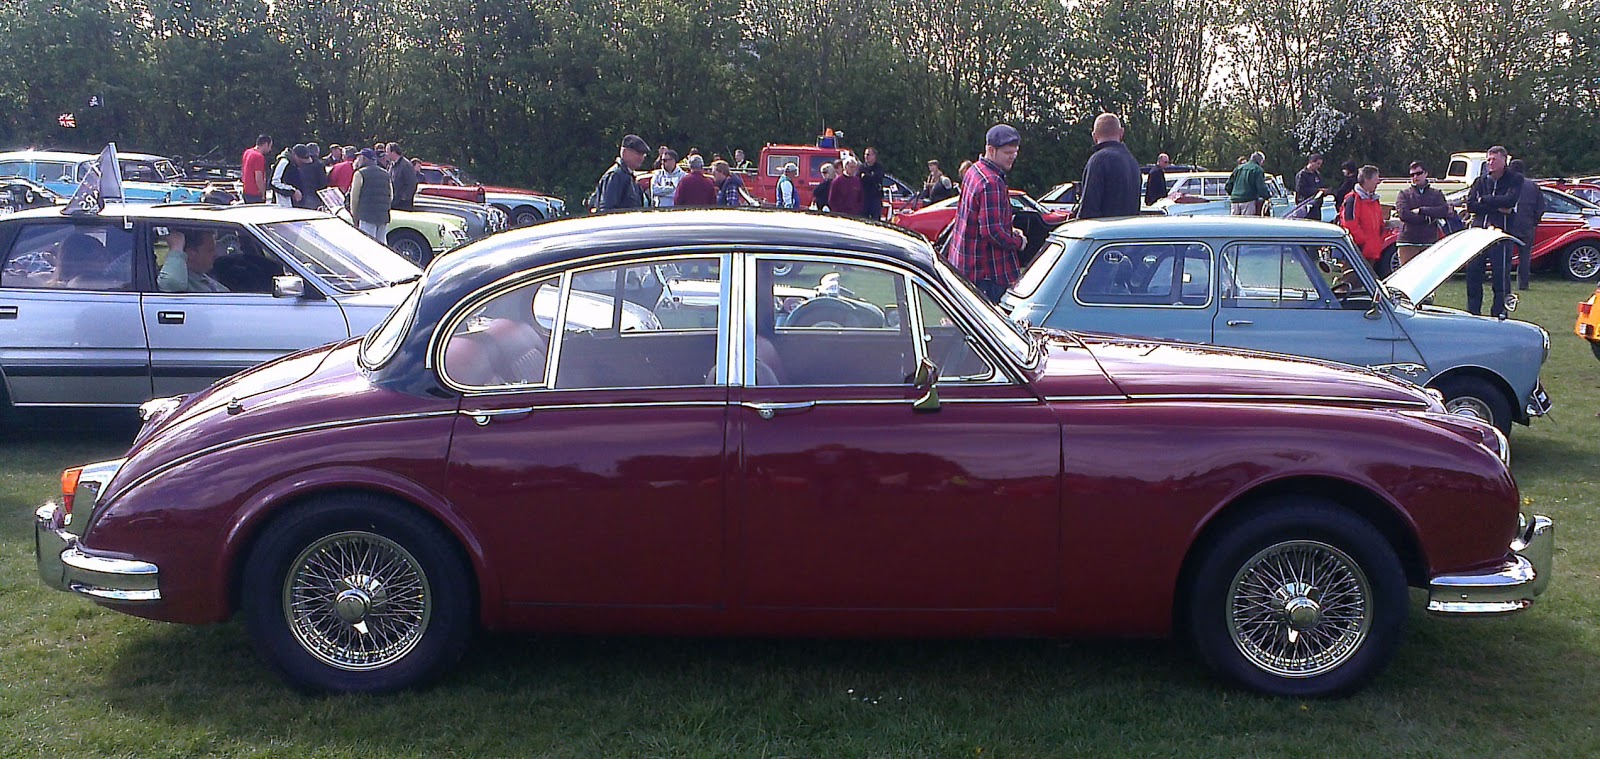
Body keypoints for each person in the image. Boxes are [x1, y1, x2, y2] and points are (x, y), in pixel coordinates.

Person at [946, 124, 1026, 303]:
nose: (1013, 156)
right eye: (1007, 152)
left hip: (966, 268)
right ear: (991, 149)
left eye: (1015, 151)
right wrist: (1018, 242)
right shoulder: (992, 182)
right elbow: (992, 232)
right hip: (987, 275)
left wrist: (1010, 230)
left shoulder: (974, 171)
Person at [1464, 146, 1522, 317]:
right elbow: (1471, 204)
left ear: (1504, 161)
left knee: (1501, 276)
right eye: (1488, 159)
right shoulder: (1480, 181)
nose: (1490, 163)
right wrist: (1496, 205)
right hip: (1479, 235)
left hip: (1500, 236)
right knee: (1473, 273)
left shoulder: (1514, 179)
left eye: (1494, 160)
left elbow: (1510, 200)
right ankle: (1473, 312)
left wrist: (1485, 200)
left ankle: (1499, 313)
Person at [1076, 113, 1142, 219]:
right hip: (1128, 232)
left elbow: (1088, 211)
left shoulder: (1098, 161)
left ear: (1094, 136)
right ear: (1121, 132)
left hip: (1104, 232)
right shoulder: (1132, 161)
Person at [1394, 161, 1452, 268]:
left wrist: (1422, 210)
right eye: (1412, 174)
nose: (1415, 177)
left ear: (1426, 173)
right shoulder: (1404, 194)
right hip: (1408, 241)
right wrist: (1429, 219)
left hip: (1429, 241)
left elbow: (1443, 211)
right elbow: (1404, 214)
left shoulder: (1436, 193)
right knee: (1407, 275)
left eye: (1418, 173)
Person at [1508, 158, 1545, 290]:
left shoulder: (1507, 183)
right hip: (1527, 225)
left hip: (1508, 224)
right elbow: (1541, 206)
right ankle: (1523, 284)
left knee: (1505, 254)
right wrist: (1534, 221)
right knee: (1525, 256)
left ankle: (1503, 281)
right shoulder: (1532, 186)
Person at [1339, 165, 1386, 266]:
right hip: (1358, 252)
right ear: (1367, 180)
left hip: (1371, 251)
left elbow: (1379, 223)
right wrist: (1362, 242)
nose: (1378, 182)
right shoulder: (1353, 199)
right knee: (1352, 280)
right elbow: (1349, 223)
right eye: (1376, 179)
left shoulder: (1373, 199)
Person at [157, 230, 227, 293]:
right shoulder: (178, 279)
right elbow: (171, 283)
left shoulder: (202, 277)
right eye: (210, 250)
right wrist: (176, 247)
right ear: (191, 254)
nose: (215, 254)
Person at [348, 149, 393, 242]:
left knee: (367, 244)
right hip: (383, 216)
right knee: (381, 245)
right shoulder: (385, 173)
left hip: (366, 216)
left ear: (364, 159)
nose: (356, 160)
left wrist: (355, 216)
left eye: (358, 157)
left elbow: (354, 199)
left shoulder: (360, 173)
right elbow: (391, 196)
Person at [595, 134, 649, 211]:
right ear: (625, 152)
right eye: (638, 154)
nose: (641, 158)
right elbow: (607, 209)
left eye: (643, 155)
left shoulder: (628, 176)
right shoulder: (616, 175)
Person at [1225, 151, 1271, 215]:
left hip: (1234, 201)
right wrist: (1267, 197)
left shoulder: (1238, 168)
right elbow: (1261, 188)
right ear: (1260, 160)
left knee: (1234, 223)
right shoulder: (1257, 170)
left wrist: (1234, 195)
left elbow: (1228, 186)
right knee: (1247, 222)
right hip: (1248, 200)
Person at [386, 143, 418, 211]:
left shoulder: (406, 165)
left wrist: (404, 198)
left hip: (403, 205)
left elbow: (412, 183)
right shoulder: (391, 165)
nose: (386, 154)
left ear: (393, 152)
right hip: (394, 202)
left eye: (387, 151)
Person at [1294, 154, 1327, 220]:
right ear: (1311, 162)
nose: (1319, 166)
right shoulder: (1302, 175)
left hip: (1316, 207)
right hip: (1306, 207)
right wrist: (1317, 190)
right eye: (1317, 164)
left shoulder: (1317, 175)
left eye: (1320, 164)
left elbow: (1321, 185)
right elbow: (1301, 190)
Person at [241, 135, 272, 204]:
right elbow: (258, 178)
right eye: (270, 146)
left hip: (246, 192)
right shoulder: (259, 157)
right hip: (255, 194)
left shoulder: (247, 152)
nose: (270, 149)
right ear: (266, 144)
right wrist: (263, 194)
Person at [859, 146, 887, 219]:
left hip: (875, 198)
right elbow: (858, 179)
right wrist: (869, 177)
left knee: (876, 219)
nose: (866, 157)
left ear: (874, 156)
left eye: (868, 154)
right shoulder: (861, 167)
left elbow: (877, 178)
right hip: (864, 198)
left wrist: (866, 177)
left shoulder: (878, 167)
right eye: (865, 154)